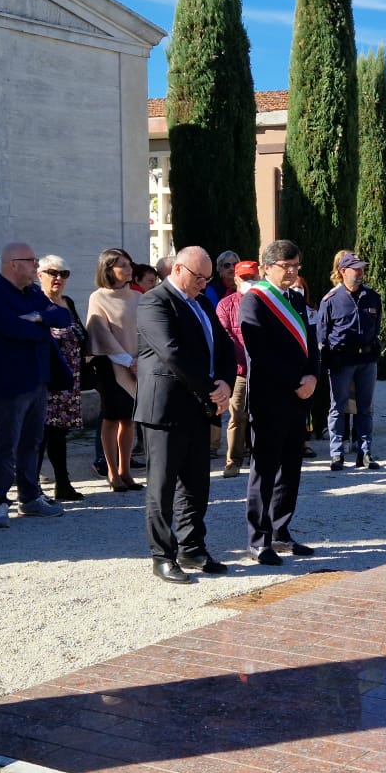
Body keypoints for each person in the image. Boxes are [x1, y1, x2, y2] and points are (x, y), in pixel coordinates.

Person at [137, 245, 237, 581]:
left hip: (199, 407)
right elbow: (172, 353)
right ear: (178, 269)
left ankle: (192, 548)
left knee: (196, 485)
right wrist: (212, 389)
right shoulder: (155, 301)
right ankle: (162, 556)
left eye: (207, 279)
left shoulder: (203, 302)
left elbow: (224, 346)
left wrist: (225, 381)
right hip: (165, 409)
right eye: (199, 277)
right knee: (163, 486)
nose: (203, 284)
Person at [0, 243, 74, 527]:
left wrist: (39, 317)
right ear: (13, 264)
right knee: (6, 443)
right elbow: (12, 329)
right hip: (10, 381)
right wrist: (39, 326)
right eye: (31, 261)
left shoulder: (33, 292)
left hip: (38, 379)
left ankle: (30, 498)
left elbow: (62, 317)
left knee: (32, 441)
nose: (36, 266)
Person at [239, 240, 321, 564]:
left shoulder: (297, 299)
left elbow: (311, 344)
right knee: (265, 468)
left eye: (296, 266)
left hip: (299, 396)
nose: (292, 272)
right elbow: (260, 351)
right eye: (287, 266)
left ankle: (282, 531)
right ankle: (259, 539)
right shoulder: (255, 300)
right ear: (268, 267)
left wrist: (313, 377)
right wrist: (294, 382)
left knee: (291, 468)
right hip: (270, 397)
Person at [314, 250, 383, 472]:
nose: (360, 273)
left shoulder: (372, 297)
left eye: (362, 268)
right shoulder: (331, 300)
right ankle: (337, 454)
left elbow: (377, 327)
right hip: (342, 361)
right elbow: (322, 335)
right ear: (343, 272)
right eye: (356, 269)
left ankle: (365, 453)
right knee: (338, 407)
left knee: (365, 408)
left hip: (367, 360)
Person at [86, 248, 143, 491]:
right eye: (123, 265)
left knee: (129, 421)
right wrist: (126, 360)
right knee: (111, 419)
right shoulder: (98, 297)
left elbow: (144, 331)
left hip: (136, 365)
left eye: (130, 264)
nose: (129, 269)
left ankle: (126, 471)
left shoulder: (138, 297)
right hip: (110, 366)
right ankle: (111, 471)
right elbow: (99, 333)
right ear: (109, 269)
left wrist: (140, 359)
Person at [37, 254, 88, 502]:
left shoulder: (67, 302)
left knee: (59, 434)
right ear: (40, 276)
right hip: (47, 380)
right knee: (41, 433)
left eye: (63, 274)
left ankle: (63, 483)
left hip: (69, 381)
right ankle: (32, 486)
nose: (58, 278)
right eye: (53, 273)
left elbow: (81, 334)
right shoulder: (37, 303)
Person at [217, 260, 259, 479]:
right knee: (237, 416)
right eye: (244, 278)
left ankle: (260, 458)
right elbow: (226, 337)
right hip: (240, 371)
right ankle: (233, 461)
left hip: (263, 371)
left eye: (252, 277)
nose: (249, 282)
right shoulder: (226, 305)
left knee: (261, 415)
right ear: (236, 279)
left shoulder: (267, 303)